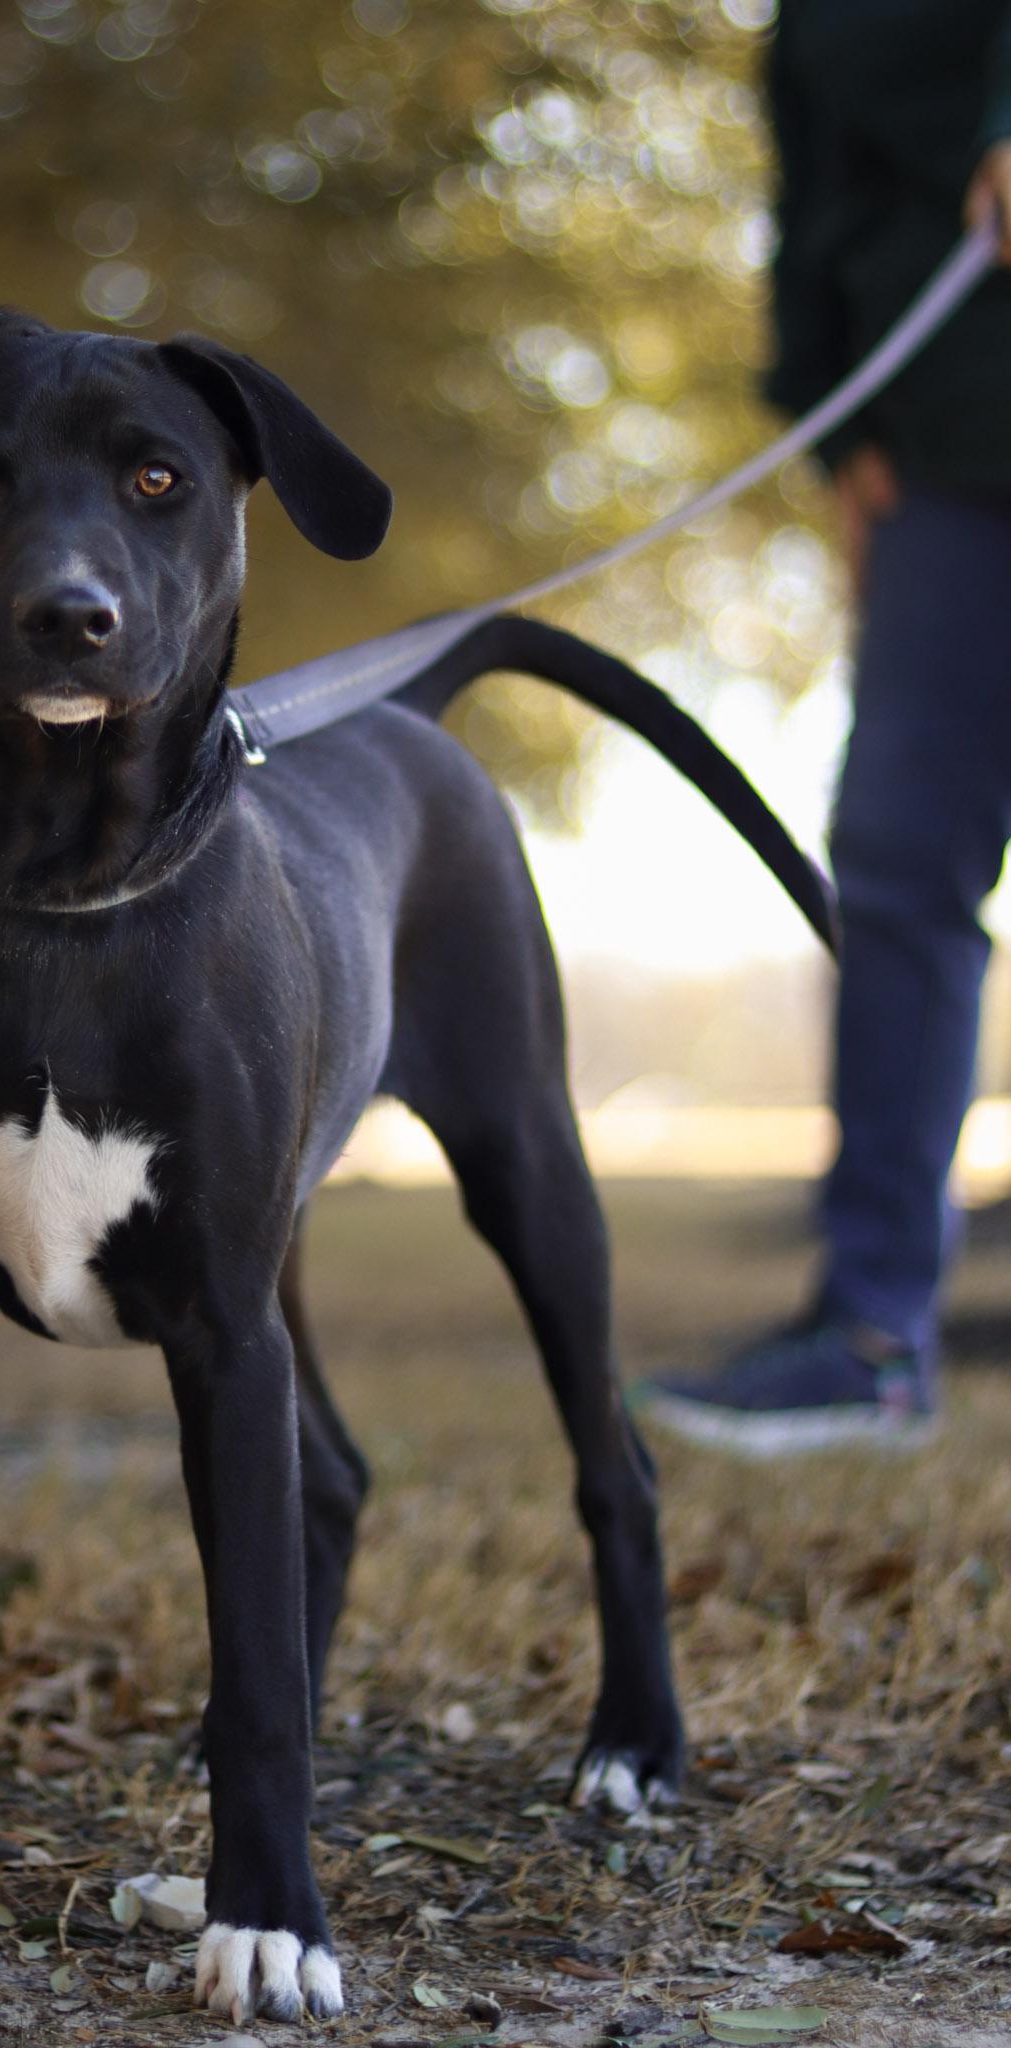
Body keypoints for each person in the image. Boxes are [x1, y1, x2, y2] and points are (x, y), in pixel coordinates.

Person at [635, 1, 1011, 1456]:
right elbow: (818, 208)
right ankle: (868, 1335)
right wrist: (835, 422)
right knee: (897, 864)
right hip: (938, 456)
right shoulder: (819, 25)